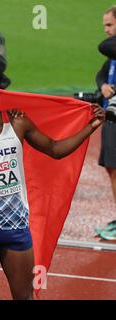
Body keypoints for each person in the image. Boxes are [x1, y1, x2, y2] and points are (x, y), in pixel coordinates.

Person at [0, 72, 105, 300]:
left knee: (24, 296)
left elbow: (55, 149)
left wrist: (91, 126)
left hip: (15, 226)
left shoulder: (17, 123)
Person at [95, 5, 116, 240]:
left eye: (109, 25)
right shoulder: (113, 55)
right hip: (111, 117)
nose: (106, 30)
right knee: (112, 168)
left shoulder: (112, 47)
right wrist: (102, 85)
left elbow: (103, 46)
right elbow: (101, 74)